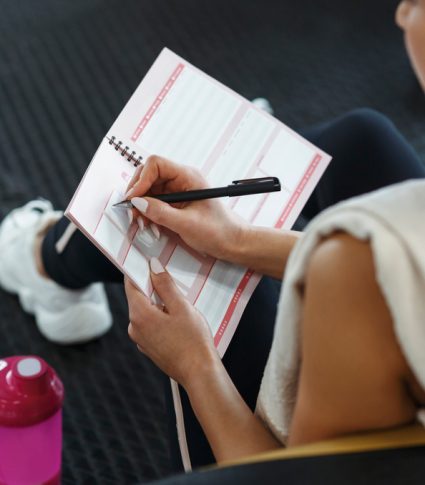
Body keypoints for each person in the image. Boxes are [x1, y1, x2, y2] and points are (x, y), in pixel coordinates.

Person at [0, 0, 424, 470]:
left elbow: (296, 478)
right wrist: (236, 238)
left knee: (207, 279)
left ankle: (43, 259)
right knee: (364, 140)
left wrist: (195, 365)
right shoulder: (378, 248)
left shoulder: (355, 267)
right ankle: (53, 261)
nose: (402, 10)